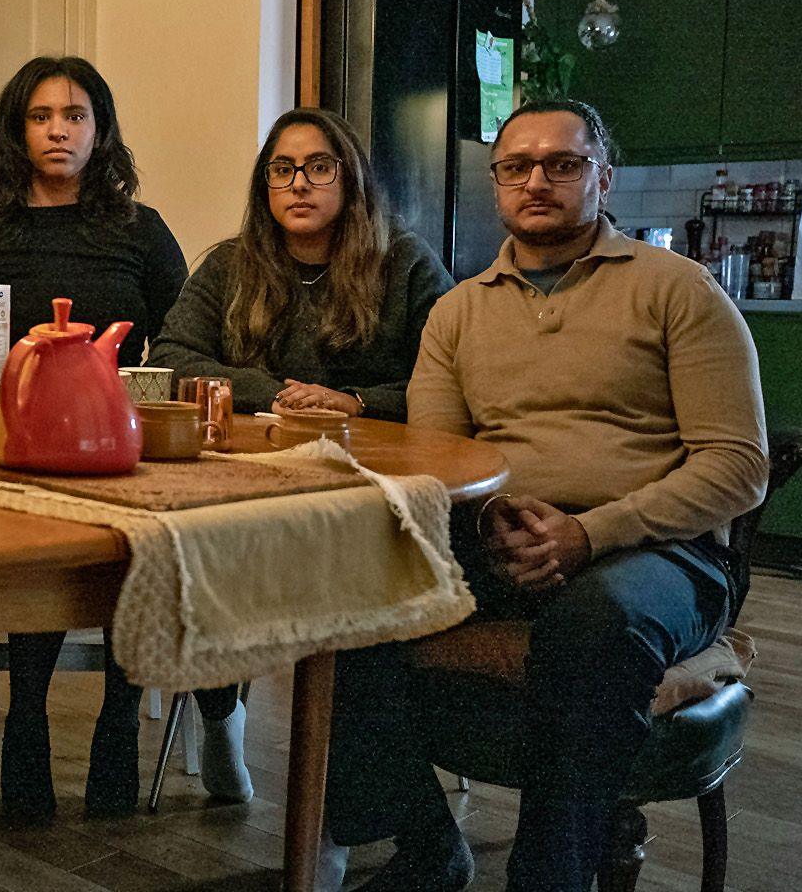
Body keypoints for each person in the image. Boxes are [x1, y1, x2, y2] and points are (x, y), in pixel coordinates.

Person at [321, 99, 767, 892]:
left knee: (595, 624)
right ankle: (426, 845)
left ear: (602, 176)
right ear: (496, 183)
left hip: (662, 551)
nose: (538, 181)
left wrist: (590, 534)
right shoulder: (457, 312)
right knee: (335, 597)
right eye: (517, 166)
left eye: (562, 164)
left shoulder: (679, 290)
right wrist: (492, 518)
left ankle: (548, 877)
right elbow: (440, 459)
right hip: (503, 536)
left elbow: (737, 468)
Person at [148, 106, 453, 810]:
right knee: (198, 548)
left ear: (349, 178)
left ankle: (342, 812)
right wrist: (280, 393)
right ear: (265, 186)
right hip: (249, 476)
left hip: (368, 482)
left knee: (348, 584)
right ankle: (223, 713)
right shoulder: (230, 263)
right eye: (282, 170)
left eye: (319, 167)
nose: (299, 184)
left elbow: (447, 378)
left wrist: (350, 401)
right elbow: (171, 358)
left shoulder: (403, 262)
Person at [0, 56, 188, 821]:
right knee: (32, 558)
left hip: (120, 448)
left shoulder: (141, 231)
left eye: (76, 115)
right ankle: (26, 722)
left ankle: (120, 724)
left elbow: (183, 340)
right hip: (16, 447)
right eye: (42, 116)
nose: (59, 130)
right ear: (18, 132)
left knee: (133, 559)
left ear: (100, 130)